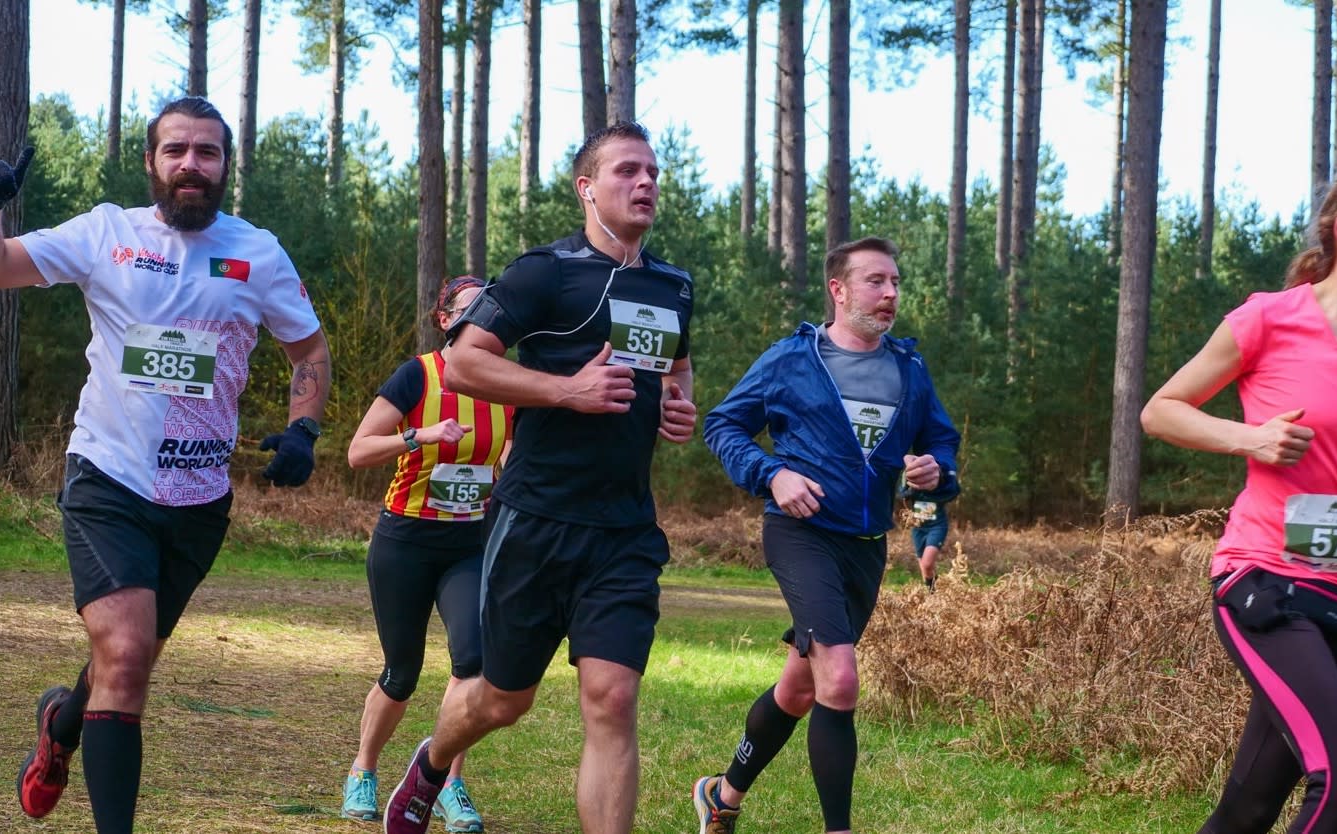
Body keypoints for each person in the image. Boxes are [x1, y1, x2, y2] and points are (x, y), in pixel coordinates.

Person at [0, 97, 331, 834]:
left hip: (198, 497)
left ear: (226, 166)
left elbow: (308, 350)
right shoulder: (107, 233)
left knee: (120, 666)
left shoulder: (257, 252)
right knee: (125, 657)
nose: (191, 165)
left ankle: (59, 727)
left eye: (208, 152)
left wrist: (303, 429)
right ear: (151, 162)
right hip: (109, 477)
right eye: (176, 151)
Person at [380, 121, 697, 834]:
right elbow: (464, 360)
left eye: (650, 170)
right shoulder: (544, 272)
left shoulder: (673, 285)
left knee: (611, 699)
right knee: (502, 700)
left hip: (624, 529)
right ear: (587, 188)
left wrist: (679, 407)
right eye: (625, 171)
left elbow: (676, 371)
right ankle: (432, 763)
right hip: (536, 520)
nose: (644, 182)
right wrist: (563, 391)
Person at [1139, 164, 1337, 834]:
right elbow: (1161, 411)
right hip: (1262, 581)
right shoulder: (1268, 319)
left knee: (1249, 805)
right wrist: (1250, 439)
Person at [692, 236, 961, 834]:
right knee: (838, 677)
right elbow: (724, 425)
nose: (890, 293)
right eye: (875, 281)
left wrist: (936, 469)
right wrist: (773, 474)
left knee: (800, 689)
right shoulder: (792, 359)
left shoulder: (909, 368)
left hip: (865, 546)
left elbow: (941, 442)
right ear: (838, 290)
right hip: (801, 531)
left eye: (895, 282)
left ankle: (722, 794)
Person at [338, 275, 508, 831]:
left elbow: (513, 457)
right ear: (445, 321)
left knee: (473, 663)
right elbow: (358, 451)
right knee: (402, 671)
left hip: (469, 543)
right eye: (469, 308)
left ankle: (445, 783)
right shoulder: (419, 375)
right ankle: (364, 768)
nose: (483, 316)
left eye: (491, 308)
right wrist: (422, 435)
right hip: (405, 540)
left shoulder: (509, 384)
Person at [898, 479, 952, 591]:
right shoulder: (911, 477)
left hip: (937, 526)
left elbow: (951, 492)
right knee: (924, 568)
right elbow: (901, 493)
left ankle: (935, 593)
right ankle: (933, 596)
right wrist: (908, 492)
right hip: (918, 527)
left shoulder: (938, 475)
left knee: (927, 563)